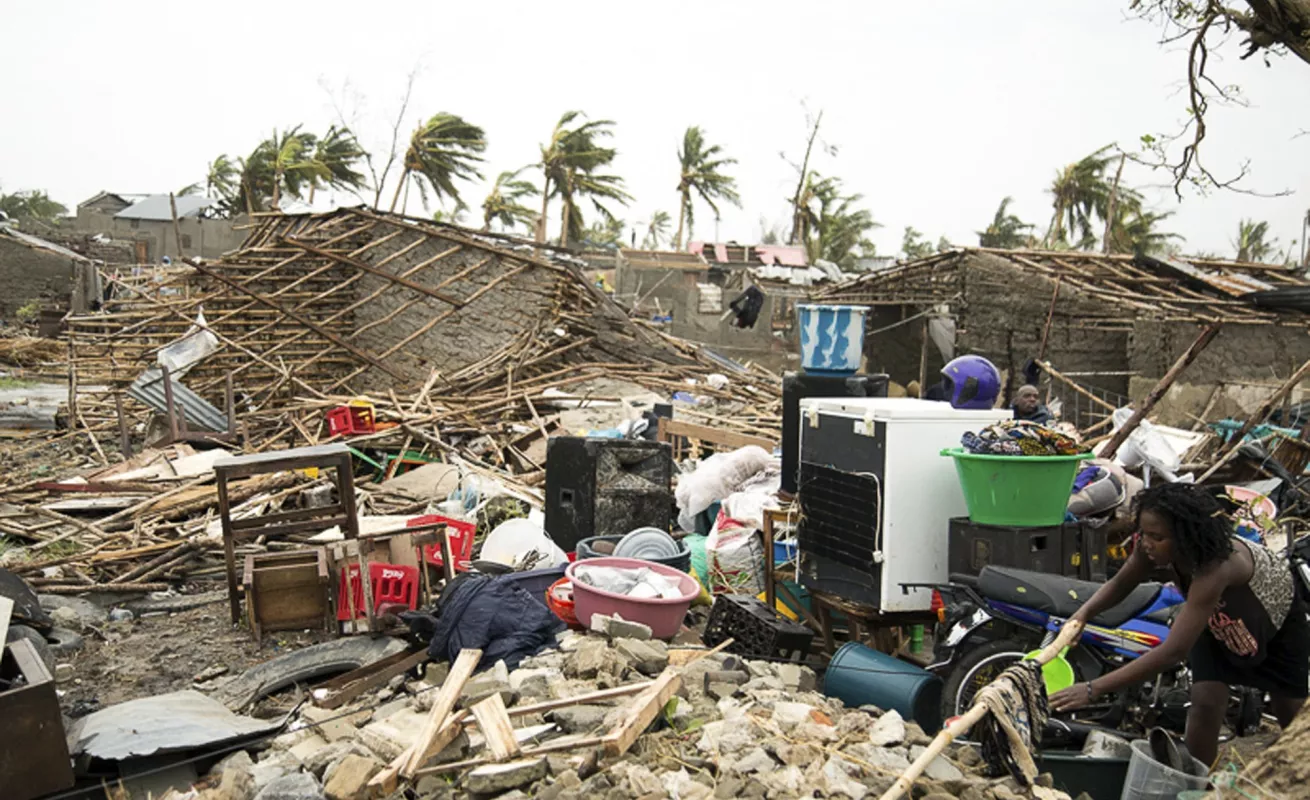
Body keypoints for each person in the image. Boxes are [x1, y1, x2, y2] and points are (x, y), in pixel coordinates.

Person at [1049, 483, 1309, 766]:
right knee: (1205, 702)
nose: (1146, 543)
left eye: (1157, 537)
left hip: (1273, 624)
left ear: (1186, 537)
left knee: (1290, 712)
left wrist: (1093, 689)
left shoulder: (1217, 566)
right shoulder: (1150, 548)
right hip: (1216, 621)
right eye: (1143, 533)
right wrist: (1083, 614)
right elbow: (1123, 581)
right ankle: (1196, 781)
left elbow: (1174, 651)